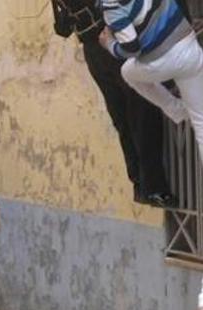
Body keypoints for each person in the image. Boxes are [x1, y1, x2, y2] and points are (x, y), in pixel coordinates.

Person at [50, 2, 173, 207]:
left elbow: (62, 28)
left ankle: (140, 185)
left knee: (123, 118)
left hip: (94, 51)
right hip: (113, 42)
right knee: (142, 111)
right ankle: (154, 188)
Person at [99, 0, 203, 199]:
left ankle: (175, 109)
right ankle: (177, 109)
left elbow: (131, 48)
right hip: (188, 46)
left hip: (162, 61)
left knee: (127, 71)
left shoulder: (111, 5)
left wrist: (109, 44)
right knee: (202, 124)